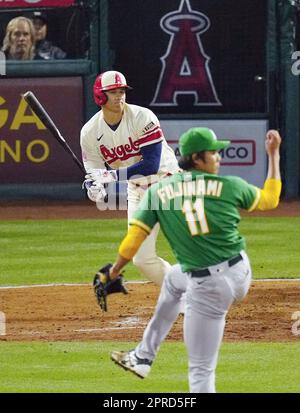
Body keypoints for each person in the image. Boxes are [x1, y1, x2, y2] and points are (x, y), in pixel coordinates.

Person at [107, 127, 282, 393]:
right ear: (197, 158)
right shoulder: (230, 185)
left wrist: (115, 269)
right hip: (240, 273)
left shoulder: (157, 193)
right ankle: (142, 357)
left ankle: (144, 358)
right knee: (173, 281)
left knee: (201, 371)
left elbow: (135, 238)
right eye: (213, 152)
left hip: (208, 288)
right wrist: (274, 155)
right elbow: (271, 200)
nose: (218, 157)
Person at [80, 70, 179, 286]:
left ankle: (212, 289)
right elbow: (94, 172)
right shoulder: (89, 132)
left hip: (168, 184)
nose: (119, 96)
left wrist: (110, 176)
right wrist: (93, 187)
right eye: (113, 92)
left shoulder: (142, 117)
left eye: (122, 91)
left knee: (188, 247)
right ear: (100, 96)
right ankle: (181, 294)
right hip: (138, 191)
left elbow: (151, 165)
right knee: (141, 258)